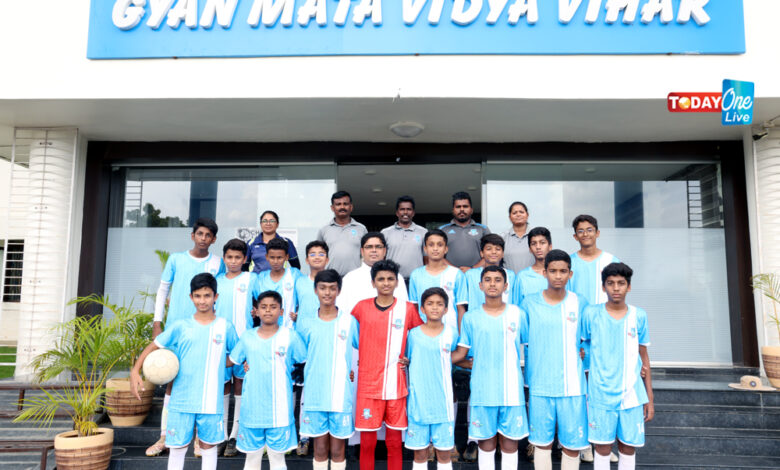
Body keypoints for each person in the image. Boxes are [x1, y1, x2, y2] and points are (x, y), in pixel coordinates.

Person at [130, 273, 238, 470]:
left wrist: (222, 363)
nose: (202, 300)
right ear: (191, 297)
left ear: (216, 296)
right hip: (181, 401)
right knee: (178, 447)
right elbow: (154, 346)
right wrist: (135, 371)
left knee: (208, 446)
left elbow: (237, 355)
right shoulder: (180, 326)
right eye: (198, 296)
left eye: (207, 295)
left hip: (210, 401)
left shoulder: (225, 327)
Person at [147, 217, 225, 457]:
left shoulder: (218, 263)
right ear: (193, 235)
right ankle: (165, 436)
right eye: (200, 233)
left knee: (202, 381)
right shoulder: (176, 259)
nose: (203, 238)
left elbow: (219, 296)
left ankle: (200, 440)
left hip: (204, 332)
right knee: (172, 380)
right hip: (176, 330)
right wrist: (157, 323)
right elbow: (163, 290)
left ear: (213, 239)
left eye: (208, 235)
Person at [451, 266, 528, 470]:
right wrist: (432, 357)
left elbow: (532, 346)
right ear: (480, 285)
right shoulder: (471, 317)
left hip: (512, 391)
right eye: (488, 280)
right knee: (486, 443)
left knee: (510, 443)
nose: (492, 284)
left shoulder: (518, 314)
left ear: (506, 285)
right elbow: (461, 353)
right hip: (483, 391)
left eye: (497, 280)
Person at [351, 260, 423, 470]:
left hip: (395, 384)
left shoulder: (407, 309)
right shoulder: (361, 308)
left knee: (394, 442)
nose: (386, 283)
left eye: (390, 279)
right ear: (373, 282)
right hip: (368, 385)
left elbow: (419, 338)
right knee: (367, 443)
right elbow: (352, 338)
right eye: (381, 279)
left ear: (397, 282)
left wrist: (409, 357)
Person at [520, 250, 589, 470]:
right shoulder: (529, 303)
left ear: (570, 274)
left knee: (572, 445)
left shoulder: (580, 303)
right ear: (544, 273)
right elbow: (519, 340)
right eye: (553, 271)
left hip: (572, 387)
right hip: (541, 385)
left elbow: (588, 341)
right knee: (542, 444)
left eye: (563, 271)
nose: (558, 276)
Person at [582, 263, 654, 470]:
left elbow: (644, 358)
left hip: (631, 395)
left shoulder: (639, 316)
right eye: (610, 283)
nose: (615, 288)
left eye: (621, 283)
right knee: (602, 448)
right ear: (603, 286)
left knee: (628, 447)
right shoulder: (591, 314)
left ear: (628, 287)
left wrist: (649, 398)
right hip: (599, 395)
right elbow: (582, 351)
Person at [228, 290, 307, 470]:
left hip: (280, 410)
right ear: (256, 311)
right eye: (263, 307)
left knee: (278, 460)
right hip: (252, 410)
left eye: (273, 307)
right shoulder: (247, 337)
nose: (268, 310)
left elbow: (304, 362)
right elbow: (231, 360)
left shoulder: (291, 336)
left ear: (281, 311)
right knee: (251, 460)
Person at [296, 269, 360, 470]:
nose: (327, 293)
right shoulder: (305, 323)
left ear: (338, 291)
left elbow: (364, 348)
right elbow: (296, 355)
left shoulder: (349, 321)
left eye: (332, 288)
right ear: (315, 290)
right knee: (320, 449)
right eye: (323, 288)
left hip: (340, 396)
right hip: (315, 395)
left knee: (338, 451)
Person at [215, 239, 261, 457]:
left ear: (245, 260)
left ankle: (235, 435)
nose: (233, 261)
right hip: (220, 343)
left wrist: (256, 311)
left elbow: (263, 302)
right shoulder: (217, 281)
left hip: (244, 342)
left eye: (238, 257)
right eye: (229, 257)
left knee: (240, 385)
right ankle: (222, 435)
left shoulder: (252, 278)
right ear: (224, 258)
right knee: (224, 386)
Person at [405, 287, 459, 470]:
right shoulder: (413, 335)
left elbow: (458, 357)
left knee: (444, 454)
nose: (435, 307)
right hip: (418, 404)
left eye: (439, 304)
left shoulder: (452, 333)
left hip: (443, 405)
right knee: (420, 454)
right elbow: (406, 360)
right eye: (430, 304)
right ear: (422, 308)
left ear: (446, 309)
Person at [408, 229, 467, 331]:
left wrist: (461, 335)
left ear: (446, 249)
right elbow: (414, 307)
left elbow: (460, 308)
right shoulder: (416, 275)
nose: (435, 248)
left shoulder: (456, 274)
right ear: (425, 249)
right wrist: (415, 333)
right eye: (431, 245)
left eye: (440, 245)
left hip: (450, 331)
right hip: (423, 332)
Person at [569, 214, 620, 306]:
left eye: (589, 230)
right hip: (576, 313)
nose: (585, 234)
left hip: (604, 313)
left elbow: (618, 291)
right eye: (580, 231)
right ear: (575, 236)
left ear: (597, 233)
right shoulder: (568, 262)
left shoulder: (611, 261)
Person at [317, 191, 368, 276]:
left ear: (351, 207)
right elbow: (319, 254)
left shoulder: (361, 229)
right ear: (332, 208)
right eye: (338, 204)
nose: (342, 207)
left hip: (355, 277)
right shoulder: (324, 229)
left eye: (345, 204)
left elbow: (367, 254)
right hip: (331, 278)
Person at [256, 238, 302, 328]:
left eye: (279, 257)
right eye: (272, 257)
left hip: (289, 329)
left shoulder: (294, 274)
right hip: (267, 330)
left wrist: (299, 313)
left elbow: (305, 298)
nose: (275, 261)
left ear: (286, 257)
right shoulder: (261, 277)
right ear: (267, 257)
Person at [439, 191, 490, 272]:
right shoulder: (442, 230)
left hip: (476, 274)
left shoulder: (483, 229)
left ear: (471, 210)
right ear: (453, 210)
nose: (462, 209)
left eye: (465, 206)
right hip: (450, 274)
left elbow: (490, 255)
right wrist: (456, 271)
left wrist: (472, 269)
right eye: (458, 207)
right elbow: (437, 256)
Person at [381, 195, 428, 281]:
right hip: (392, 280)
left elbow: (426, 259)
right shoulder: (385, 233)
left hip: (417, 280)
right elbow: (381, 258)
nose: (405, 212)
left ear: (413, 213)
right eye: (402, 209)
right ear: (397, 213)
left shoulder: (423, 232)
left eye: (409, 209)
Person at [465, 234, 516, 312]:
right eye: (489, 249)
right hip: (477, 317)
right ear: (482, 253)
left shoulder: (510, 275)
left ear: (503, 254)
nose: (494, 252)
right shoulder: (470, 275)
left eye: (498, 249)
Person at [291, 240, 330, 325]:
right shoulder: (299, 282)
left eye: (321, 254)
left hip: (325, 327)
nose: (317, 257)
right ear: (307, 260)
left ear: (327, 260)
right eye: (312, 254)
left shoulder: (332, 283)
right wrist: (296, 314)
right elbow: (293, 304)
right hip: (302, 328)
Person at [512, 227, 553, 306]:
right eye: (534, 244)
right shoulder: (522, 276)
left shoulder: (559, 274)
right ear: (530, 249)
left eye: (542, 243)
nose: (538, 247)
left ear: (550, 246)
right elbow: (517, 306)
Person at [502, 202, 534, 273]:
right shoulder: (503, 237)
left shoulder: (536, 236)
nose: (518, 215)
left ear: (527, 215)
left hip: (533, 278)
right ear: (509, 217)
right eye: (514, 213)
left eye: (521, 212)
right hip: (510, 279)